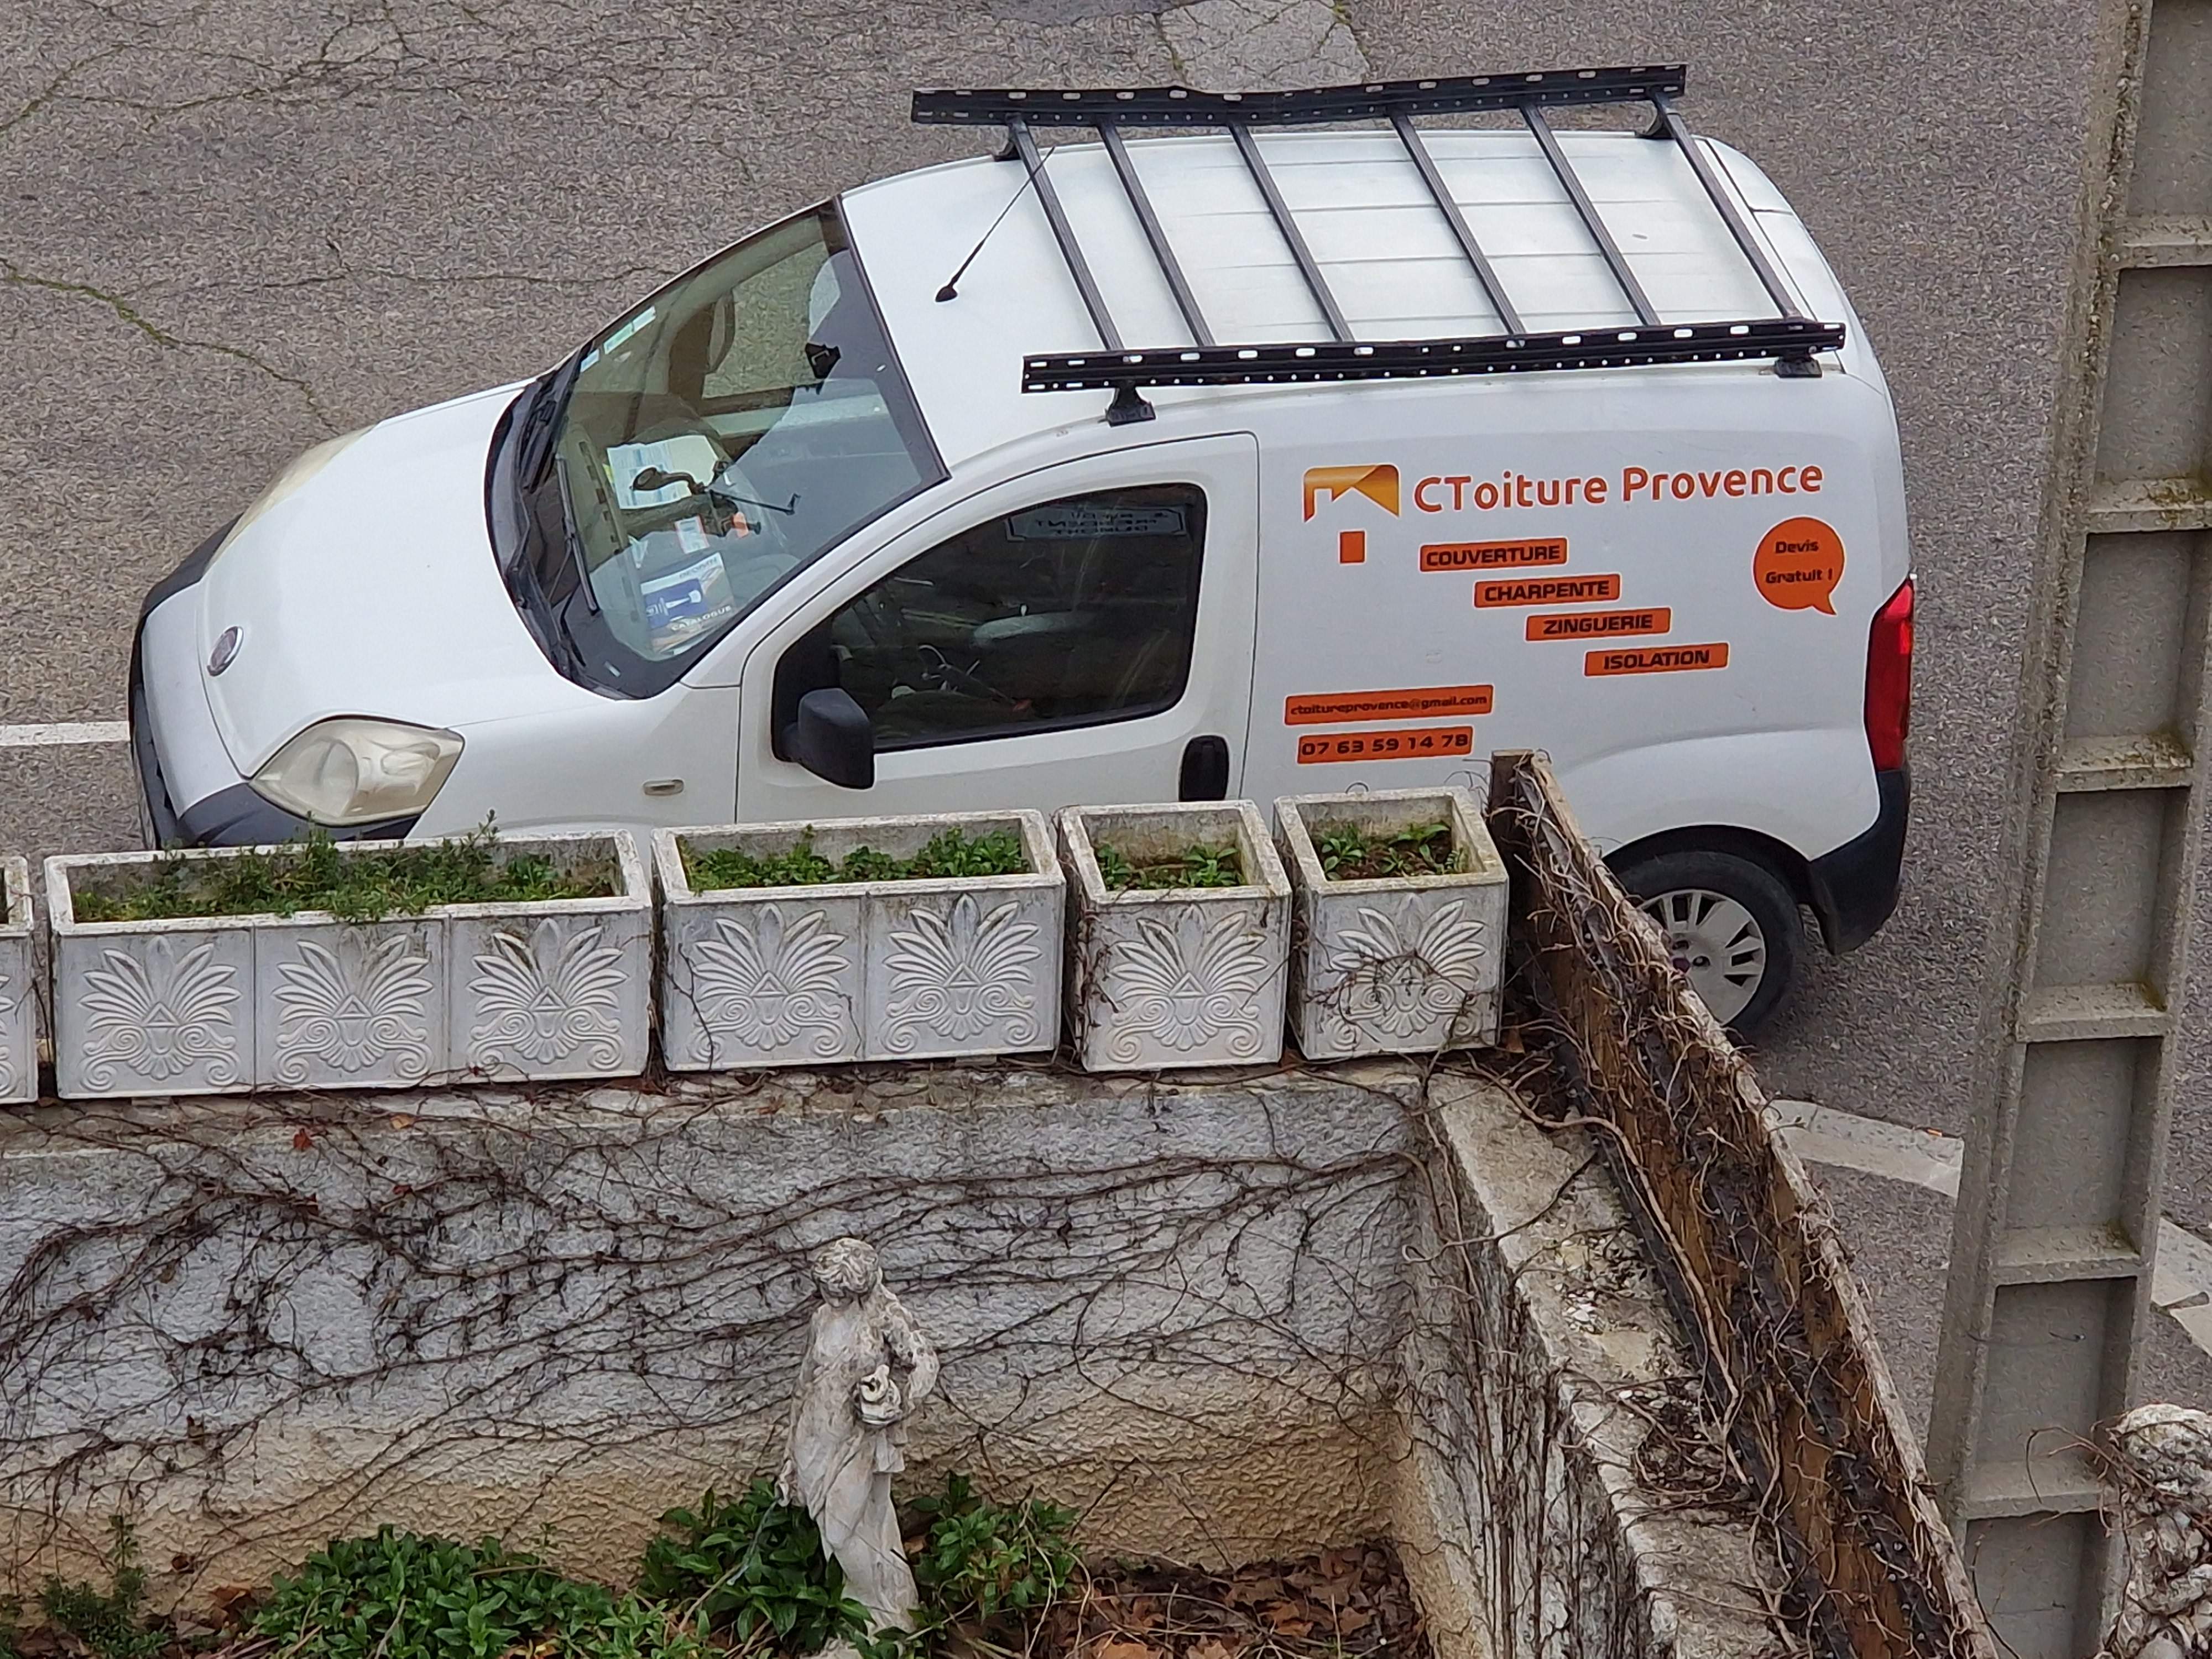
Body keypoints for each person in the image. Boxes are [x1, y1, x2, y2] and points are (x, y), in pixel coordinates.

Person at [778, 1237, 940, 1633]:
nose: (832, 1295)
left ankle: (884, 1621)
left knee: (845, 1529)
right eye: (827, 1287)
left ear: (860, 1283)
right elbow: (804, 1387)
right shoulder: (821, 1319)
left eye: (841, 1288)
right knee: (833, 1537)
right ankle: (867, 1618)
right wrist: (789, 1459)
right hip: (813, 1439)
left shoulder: (884, 1318)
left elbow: (923, 1364)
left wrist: (898, 1401)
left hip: (857, 1440)